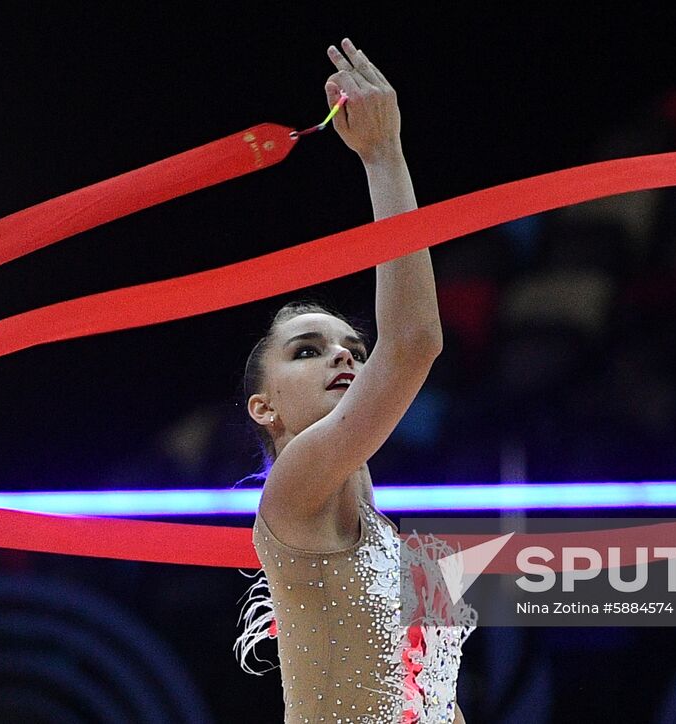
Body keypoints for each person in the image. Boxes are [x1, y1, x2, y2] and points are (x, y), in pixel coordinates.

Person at [234, 38, 473, 724]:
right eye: (307, 351)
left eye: (353, 348)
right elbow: (415, 342)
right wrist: (383, 156)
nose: (344, 358)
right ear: (264, 407)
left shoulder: (407, 556)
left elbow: (441, 711)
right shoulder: (295, 496)